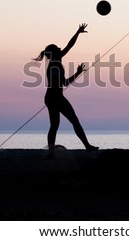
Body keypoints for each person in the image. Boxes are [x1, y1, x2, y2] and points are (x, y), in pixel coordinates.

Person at [34, 23, 98, 159]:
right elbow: (64, 83)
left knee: (54, 125)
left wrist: (78, 32)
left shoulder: (56, 60)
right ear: (55, 53)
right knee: (72, 121)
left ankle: (53, 153)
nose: (60, 48)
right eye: (58, 48)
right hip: (55, 97)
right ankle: (86, 146)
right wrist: (78, 73)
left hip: (52, 97)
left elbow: (69, 45)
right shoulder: (55, 65)